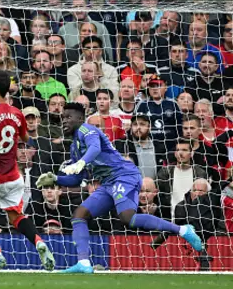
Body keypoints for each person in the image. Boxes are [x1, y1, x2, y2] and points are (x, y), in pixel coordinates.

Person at [36, 102, 204, 273]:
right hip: (108, 182)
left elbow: (94, 148)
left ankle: (183, 230)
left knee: (127, 218)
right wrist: (55, 179)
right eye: (63, 118)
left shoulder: (88, 130)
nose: (64, 121)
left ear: (80, 118)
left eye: (68, 117)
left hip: (124, 175)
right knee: (79, 215)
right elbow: (78, 178)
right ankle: (84, 263)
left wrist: (80, 162)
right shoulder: (74, 148)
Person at [0, 68, 55, 273]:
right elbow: (25, 138)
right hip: (14, 176)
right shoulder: (16, 113)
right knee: (15, 216)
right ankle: (39, 241)